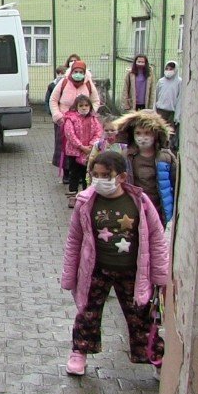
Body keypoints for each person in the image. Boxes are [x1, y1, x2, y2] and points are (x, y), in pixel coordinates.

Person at [62, 151, 170, 376]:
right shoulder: (86, 201)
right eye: (96, 174)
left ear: (121, 177)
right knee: (87, 312)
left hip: (132, 271)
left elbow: (157, 239)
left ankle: (155, 358)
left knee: (141, 315)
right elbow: (75, 240)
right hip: (96, 269)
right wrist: (70, 275)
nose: (100, 179)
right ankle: (79, 352)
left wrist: (160, 277)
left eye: (106, 175)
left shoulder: (139, 202)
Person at [114, 110, 177, 227]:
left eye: (147, 133)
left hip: (158, 210)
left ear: (156, 134)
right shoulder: (126, 156)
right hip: (134, 209)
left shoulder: (166, 157)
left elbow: (175, 184)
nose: (142, 138)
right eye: (138, 133)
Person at [62, 95, 103, 208]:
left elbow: (98, 132)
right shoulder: (70, 118)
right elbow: (70, 134)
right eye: (81, 105)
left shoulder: (94, 119)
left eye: (86, 105)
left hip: (89, 152)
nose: (84, 108)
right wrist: (81, 146)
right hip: (74, 152)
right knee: (74, 175)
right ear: (76, 106)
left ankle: (86, 196)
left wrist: (90, 146)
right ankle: (72, 197)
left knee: (87, 174)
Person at [85, 116, 127, 184]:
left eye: (112, 130)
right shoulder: (99, 145)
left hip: (117, 179)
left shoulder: (123, 146)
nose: (109, 132)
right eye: (106, 130)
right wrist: (89, 178)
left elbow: (126, 165)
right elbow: (91, 161)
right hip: (101, 178)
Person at [155, 61, 182, 149]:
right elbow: (156, 96)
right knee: (159, 130)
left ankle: (168, 148)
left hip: (172, 112)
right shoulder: (161, 81)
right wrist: (154, 110)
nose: (168, 71)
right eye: (167, 69)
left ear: (175, 70)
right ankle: (158, 146)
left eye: (171, 69)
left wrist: (177, 115)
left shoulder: (179, 82)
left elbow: (180, 99)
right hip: (160, 110)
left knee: (170, 132)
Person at [46, 66, 67, 167]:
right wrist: (52, 112)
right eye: (59, 73)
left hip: (67, 116)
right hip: (59, 116)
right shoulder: (52, 85)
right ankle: (59, 161)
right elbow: (49, 99)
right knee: (59, 140)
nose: (61, 75)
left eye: (63, 73)